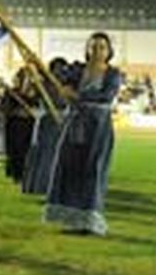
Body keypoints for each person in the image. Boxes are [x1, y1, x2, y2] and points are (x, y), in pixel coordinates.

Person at [43, 33, 123, 235]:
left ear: (109, 51)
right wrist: (61, 83)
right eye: (93, 46)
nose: (97, 51)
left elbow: (106, 96)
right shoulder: (77, 70)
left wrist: (78, 95)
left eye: (102, 47)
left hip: (98, 127)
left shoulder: (113, 74)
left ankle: (91, 220)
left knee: (93, 171)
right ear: (87, 49)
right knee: (70, 169)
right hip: (76, 124)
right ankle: (74, 219)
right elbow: (57, 76)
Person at [20, 58, 73, 196]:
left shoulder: (68, 85)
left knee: (60, 155)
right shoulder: (44, 84)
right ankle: (40, 185)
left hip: (63, 121)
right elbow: (28, 94)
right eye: (58, 69)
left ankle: (56, 186)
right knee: (45, 154)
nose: (61, 72)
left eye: (63, 69)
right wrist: (32, 78)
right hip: (48, 121)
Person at [2, 67, 39, 185]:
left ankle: (27, 175)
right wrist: (18, 109)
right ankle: (17, 174)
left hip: (29, 123)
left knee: (28, 150)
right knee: (17, 150)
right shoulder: (12, 92)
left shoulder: (36, 91)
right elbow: (6, 108)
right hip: (15, 124)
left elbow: (36, 104)